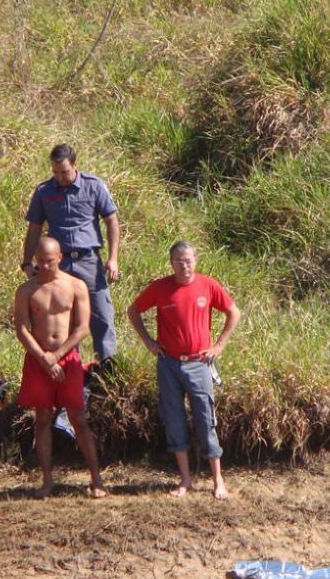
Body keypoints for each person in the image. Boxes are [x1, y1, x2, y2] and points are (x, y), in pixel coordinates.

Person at [127, 241, 242, 499]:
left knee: (205, 419)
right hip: (169, 363)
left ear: (196, 260)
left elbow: (234, 312)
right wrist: (148, 342)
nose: (184, 265)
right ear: (171, 262)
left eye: (188, 260)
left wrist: (219, 345)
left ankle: (217, 481)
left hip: (199, 363)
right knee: (174, 419)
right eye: (179, 260)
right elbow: (133, 311)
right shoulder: (159, 288)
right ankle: (185, 480)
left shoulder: (208, 285)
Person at [15, 237, 107, 499]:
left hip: (67, 359)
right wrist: (44, 358)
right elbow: (21, 329)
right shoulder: (26, 290)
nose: (44, 267)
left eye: (49, 261)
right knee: (42, 418)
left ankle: (96, 478)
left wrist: (56, 356)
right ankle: (47, 480)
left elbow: (82, 328)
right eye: (40, 262)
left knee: (78, 418)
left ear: (60, 259)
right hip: (38, 359)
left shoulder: (75, 286)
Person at [22, 143, 120, 367]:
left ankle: (108, 371)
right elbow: (35, 228)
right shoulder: (44, 192)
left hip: (88, 261)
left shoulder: (93, 186)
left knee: (101, 316)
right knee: (63, 318)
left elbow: (112, 220)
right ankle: (70, 371)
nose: (60, 177)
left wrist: (113, 258)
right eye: (55, 172)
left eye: (64, 172)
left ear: (75, 165)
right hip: (59, 264)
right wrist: (27, 262)